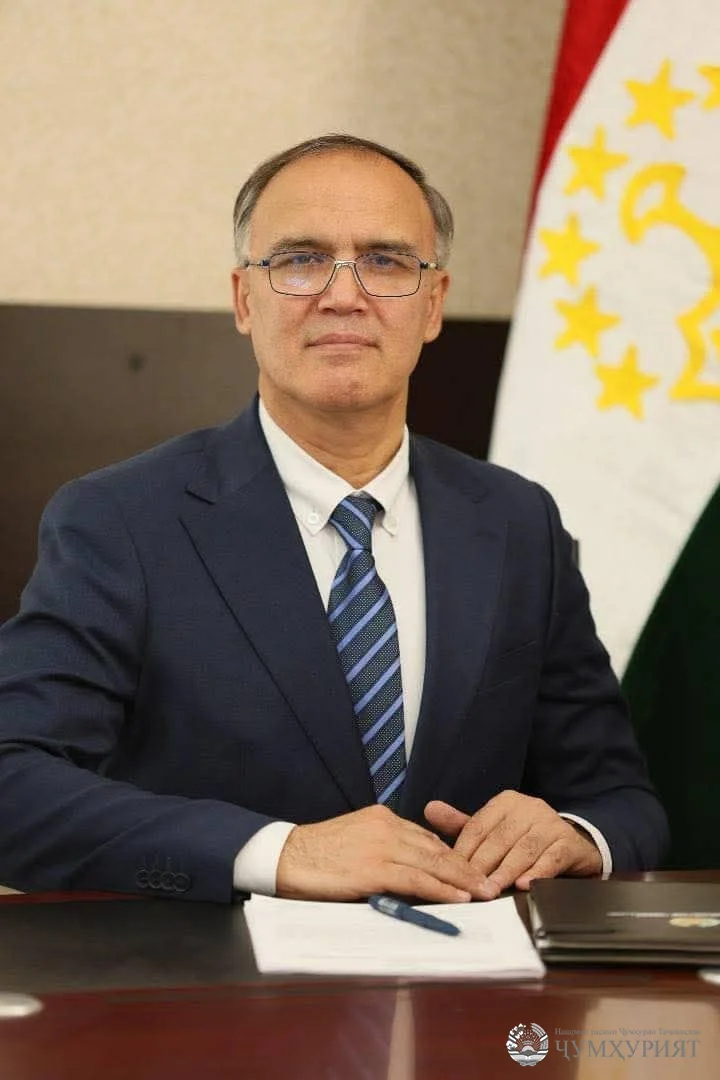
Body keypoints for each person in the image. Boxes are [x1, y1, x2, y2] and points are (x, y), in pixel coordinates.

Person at [0, 134, 667, 903]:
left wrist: (575, 834)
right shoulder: (120, 521)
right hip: (214, 972)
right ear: (244, 299)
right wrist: (276, 852)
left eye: (386, 262)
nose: (343, 295)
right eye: (300, 259)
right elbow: (15, 785)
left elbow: (623, 803)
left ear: (433, 305)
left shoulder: (520, 524)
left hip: (474, 972)